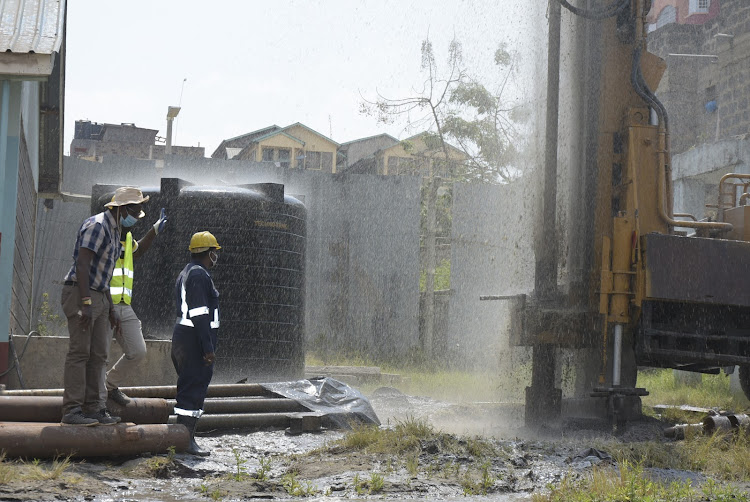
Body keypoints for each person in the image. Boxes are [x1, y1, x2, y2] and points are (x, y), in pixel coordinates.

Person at [60, 186, 148, 426]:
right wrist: (87, 302)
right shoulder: (98, 225)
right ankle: (72, 411)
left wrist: (110, 308)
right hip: (81, 293)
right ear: (123, 208)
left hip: (99, 295)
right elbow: (82, 264)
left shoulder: (114, 230)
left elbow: (105, 276)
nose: (137, 216)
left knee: (99, 355)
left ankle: (94, 409)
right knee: (80, 353)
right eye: (136, 210)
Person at [105, 204, 168, 407]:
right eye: (132, 214)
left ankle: (108, 385)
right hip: (104, 303)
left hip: (124, 305)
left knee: (137, 351)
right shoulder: (105, 233)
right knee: (98, 354)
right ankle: (95, 399)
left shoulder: (128, 238)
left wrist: (154, 230)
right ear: (120, 211)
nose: (134, 219)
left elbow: (137, 251)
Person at [171, 231, 221, 456]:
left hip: (185, 338)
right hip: (193, 340)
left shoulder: (188, 272)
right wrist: (208, 347)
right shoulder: (199, 275)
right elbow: (200, 314)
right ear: (208, 253)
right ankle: (185, 441)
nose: (216, 257)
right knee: (193, 389)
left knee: (190, 387)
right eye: (214, 253)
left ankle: (185, 438)